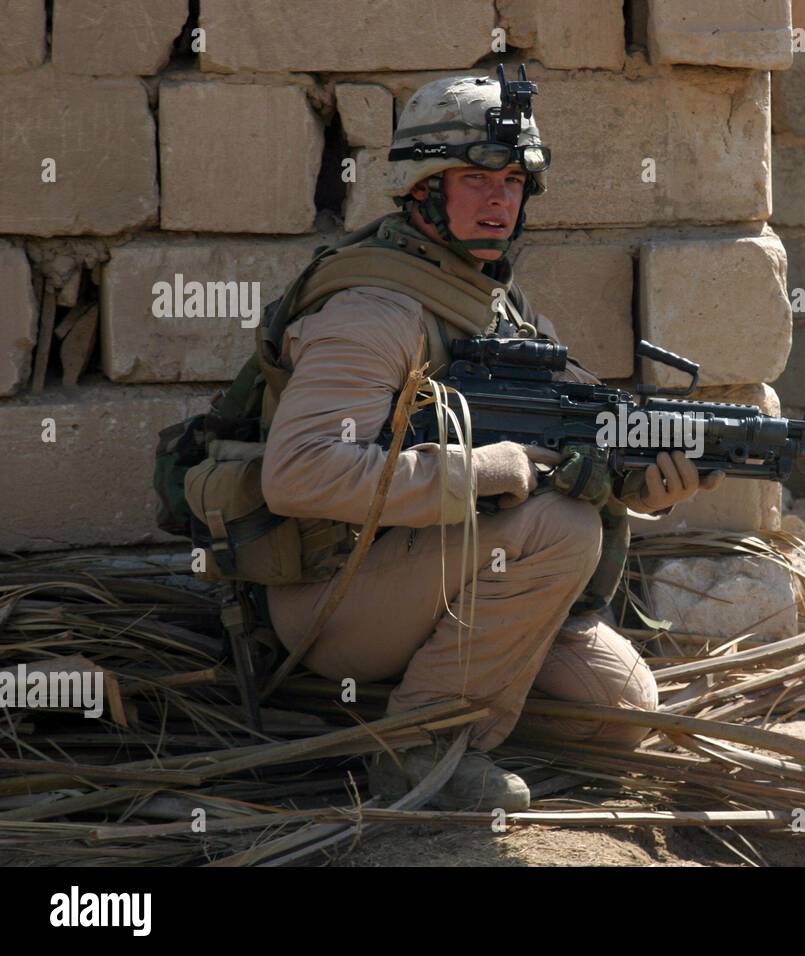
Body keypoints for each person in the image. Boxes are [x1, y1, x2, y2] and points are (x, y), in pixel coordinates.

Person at [258, 71, 723, 811]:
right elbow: (298, 474)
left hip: (454, 574)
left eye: (512, 180)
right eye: (475, 179)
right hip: (334, 594)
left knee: (622, 715)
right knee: (562, 530)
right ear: (422, 188)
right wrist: (483, 470)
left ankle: (464, 687)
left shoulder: (498, 305)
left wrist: (638, 484)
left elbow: (567, 435)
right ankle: (417, 749)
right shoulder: (375, 310)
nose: (500, 199)